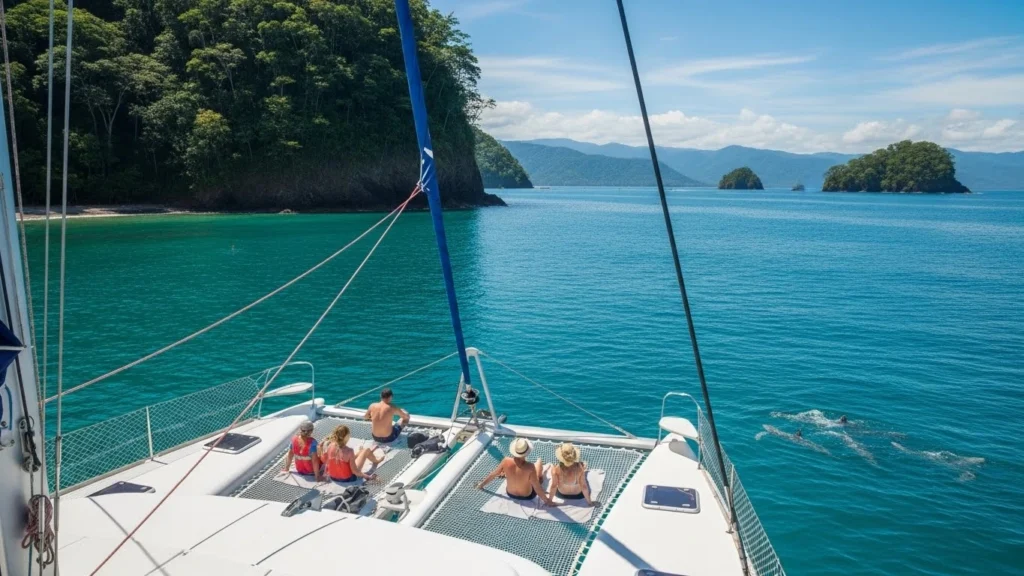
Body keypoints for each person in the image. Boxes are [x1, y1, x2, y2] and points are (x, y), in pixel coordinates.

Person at [475, 437, 556, 506]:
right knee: (538, 471)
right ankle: (540, 462)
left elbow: (494, 474)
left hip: (510, 494)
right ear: (527, 452)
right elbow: (537, 487)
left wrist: (481, 485)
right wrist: (547, 501)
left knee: (532, 472)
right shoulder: (530, 467)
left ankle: (539, 463)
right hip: (528, 496)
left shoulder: (505, 460)